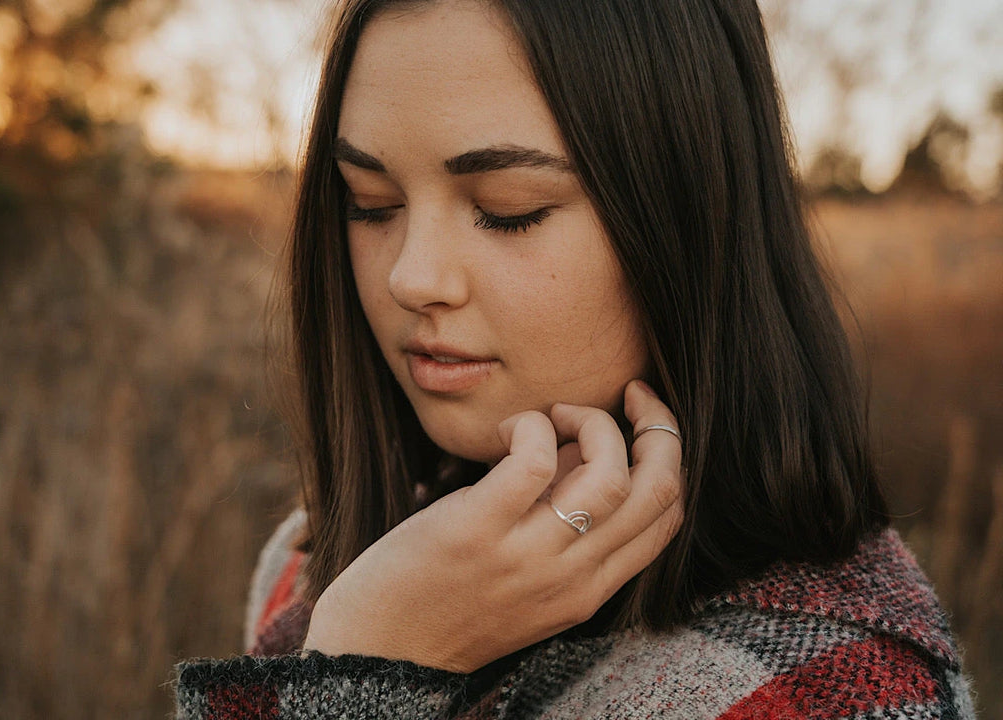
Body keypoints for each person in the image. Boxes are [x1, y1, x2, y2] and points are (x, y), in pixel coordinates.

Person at [175, 0, 975, 717]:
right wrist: (373, 646)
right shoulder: (317, 557)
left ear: (684, 218)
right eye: (370, 203)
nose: (410, 277)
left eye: (507, 212)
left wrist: (361, 676)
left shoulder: (824, 690)